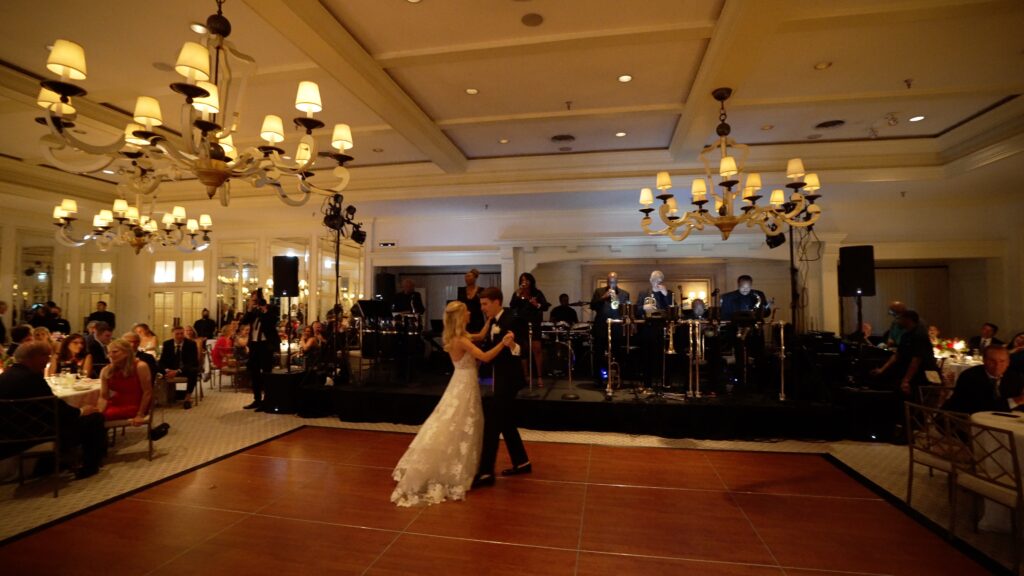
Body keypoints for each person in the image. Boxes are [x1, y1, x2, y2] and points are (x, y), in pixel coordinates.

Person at [391, 301, 515, 506]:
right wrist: (503, 343)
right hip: (465, 383)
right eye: (466, 311)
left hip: (461, 381)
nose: (469, 312)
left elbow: (481, 336)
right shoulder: (461, 340)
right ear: (460, 316)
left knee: (454, 421)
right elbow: (484, 356)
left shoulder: (459, 336)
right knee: (460, 421)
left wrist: (490, 321)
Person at [0, 341, 107, 479]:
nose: (48, 360)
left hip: (8, 433)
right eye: (46, 356)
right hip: (30, 434)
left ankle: (62, 460)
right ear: (35, 357)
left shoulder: (6, 376)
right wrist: (81, 411)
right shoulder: (31, 378)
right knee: (95, 418)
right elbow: (56, 408)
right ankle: (89, 467)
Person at [472, 288, 531, 488]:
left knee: (492, 424)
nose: (482, 308)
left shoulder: (512, 318)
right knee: (505, 422)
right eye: (481, 304)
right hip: (498, 378)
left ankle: (486, 471)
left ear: (497, 302)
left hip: (510, 380)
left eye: (485, 304)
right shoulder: (492, 322)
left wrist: (513, 345)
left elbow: (523, 350)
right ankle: (522, 462)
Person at [871, 310, 939, 399]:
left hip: (923, 374)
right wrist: (882, 370)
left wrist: (906, 380)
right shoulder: (906, 335)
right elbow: (897, 355)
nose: (897, 321)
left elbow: (916, 360)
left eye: (900, 318)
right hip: (911, 373)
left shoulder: (919, 335)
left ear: (908, 320)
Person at [942, 346, 1024, 414]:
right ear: (984, 360)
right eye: (992, 361)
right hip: (962, 421)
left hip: (999, 420)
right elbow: (981, 407)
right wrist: (1016, 401)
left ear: (1008, 362)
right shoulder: (970, 376)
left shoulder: (1014, 377)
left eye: (1002, 361)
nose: (997, 365)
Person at [589, 272, 630, 390]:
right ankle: (598, 379)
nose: (612, 282)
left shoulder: (624, 294)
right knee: (599, 354)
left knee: (617, 354)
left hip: (617, 329)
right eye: (610, 280)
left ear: (617, 281)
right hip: (601, 327)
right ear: (607, 281)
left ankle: (617, 378)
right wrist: (603, 297)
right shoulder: (599, 291)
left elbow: (626, 311)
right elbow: (592, 306)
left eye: (614, 280)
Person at [240, 290, 280, 410]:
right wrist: (250, 309)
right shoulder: (253, 311)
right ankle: (257, 400)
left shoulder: (271, 308)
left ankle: (267, 400)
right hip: (254, 345)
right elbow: (244, 321)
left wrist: (263, 308)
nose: (256, 301)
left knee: (266, 373)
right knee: (254, 373)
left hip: (265, 345)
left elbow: (271, 321)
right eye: (253, 300)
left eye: (257, 299)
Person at [509, 272, 550, 388]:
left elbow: (545, 306)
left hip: (534, 323)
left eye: (526, 280)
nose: (524, 282)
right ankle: (526, 376)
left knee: (537, 349)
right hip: (521, 324)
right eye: (522, 280)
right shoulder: (517, 294)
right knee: (523, 350)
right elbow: (512, 306)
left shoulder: (537, 293)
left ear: (531, 281)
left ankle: (540, 377)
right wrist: (518, 293)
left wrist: (536, 304)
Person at [99, 339, 152, 425]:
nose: (110, 355)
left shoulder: (140, 366)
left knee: (98, 419)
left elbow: (147, 392)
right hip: (116, 402)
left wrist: (140, 414)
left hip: (135, 405)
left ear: (127, 352)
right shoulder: (106, 370)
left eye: (115, 352)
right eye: (109, 352)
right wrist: (99, 412)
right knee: (92, 416)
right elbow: (103, 397)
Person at [637, 270, 674, 389]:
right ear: (650, 280)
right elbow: (636, 310)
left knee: (663, 358)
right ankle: (647, 384)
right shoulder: (643, 293)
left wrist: (666, 295)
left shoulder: (668, 293)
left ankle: (664, 383)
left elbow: (673, 310)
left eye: (659, 279)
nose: (657, 281)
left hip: (662, 329)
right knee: (647, 357)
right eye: (655, 279)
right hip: (648, 329)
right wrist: (643, 307)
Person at [158, 326, 200, 410]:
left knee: (193, 371)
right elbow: (162, 361)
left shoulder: (191, 344)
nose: (180, 336)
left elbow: (192, 362)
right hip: (170, 369)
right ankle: (164, 397)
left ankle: (187, 398)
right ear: (172, 334)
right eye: (177, 334)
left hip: (185, 369)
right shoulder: (167, 344)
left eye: (182, 333)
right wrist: (167, 370)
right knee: (156, 367)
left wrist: (177, 371)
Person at [457, 268, 486, 333]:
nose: (466, 278)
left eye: (469, 276)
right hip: (465, 320)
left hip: (478, 320)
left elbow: (485, 305)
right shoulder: (461, 290)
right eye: (465, 276)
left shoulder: (481, 290)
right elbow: (459, 306)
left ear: (475, 278)